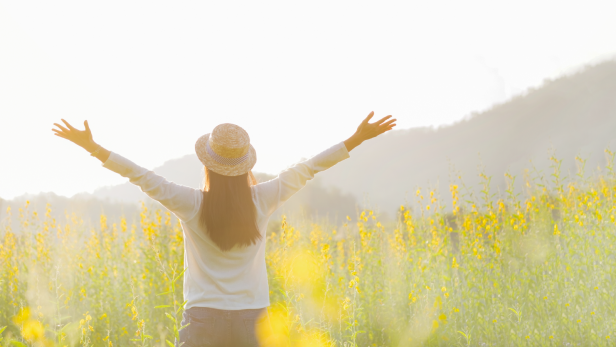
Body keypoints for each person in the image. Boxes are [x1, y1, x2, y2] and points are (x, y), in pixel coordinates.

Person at [52, 112, 396, 346]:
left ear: (208, 163)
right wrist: (355, 139)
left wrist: (92, 147)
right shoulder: (263, 198)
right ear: (245, 164)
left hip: (201, 321)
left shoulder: (190, 202)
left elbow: (141, 176)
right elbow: (308, 169)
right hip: (254, 321)